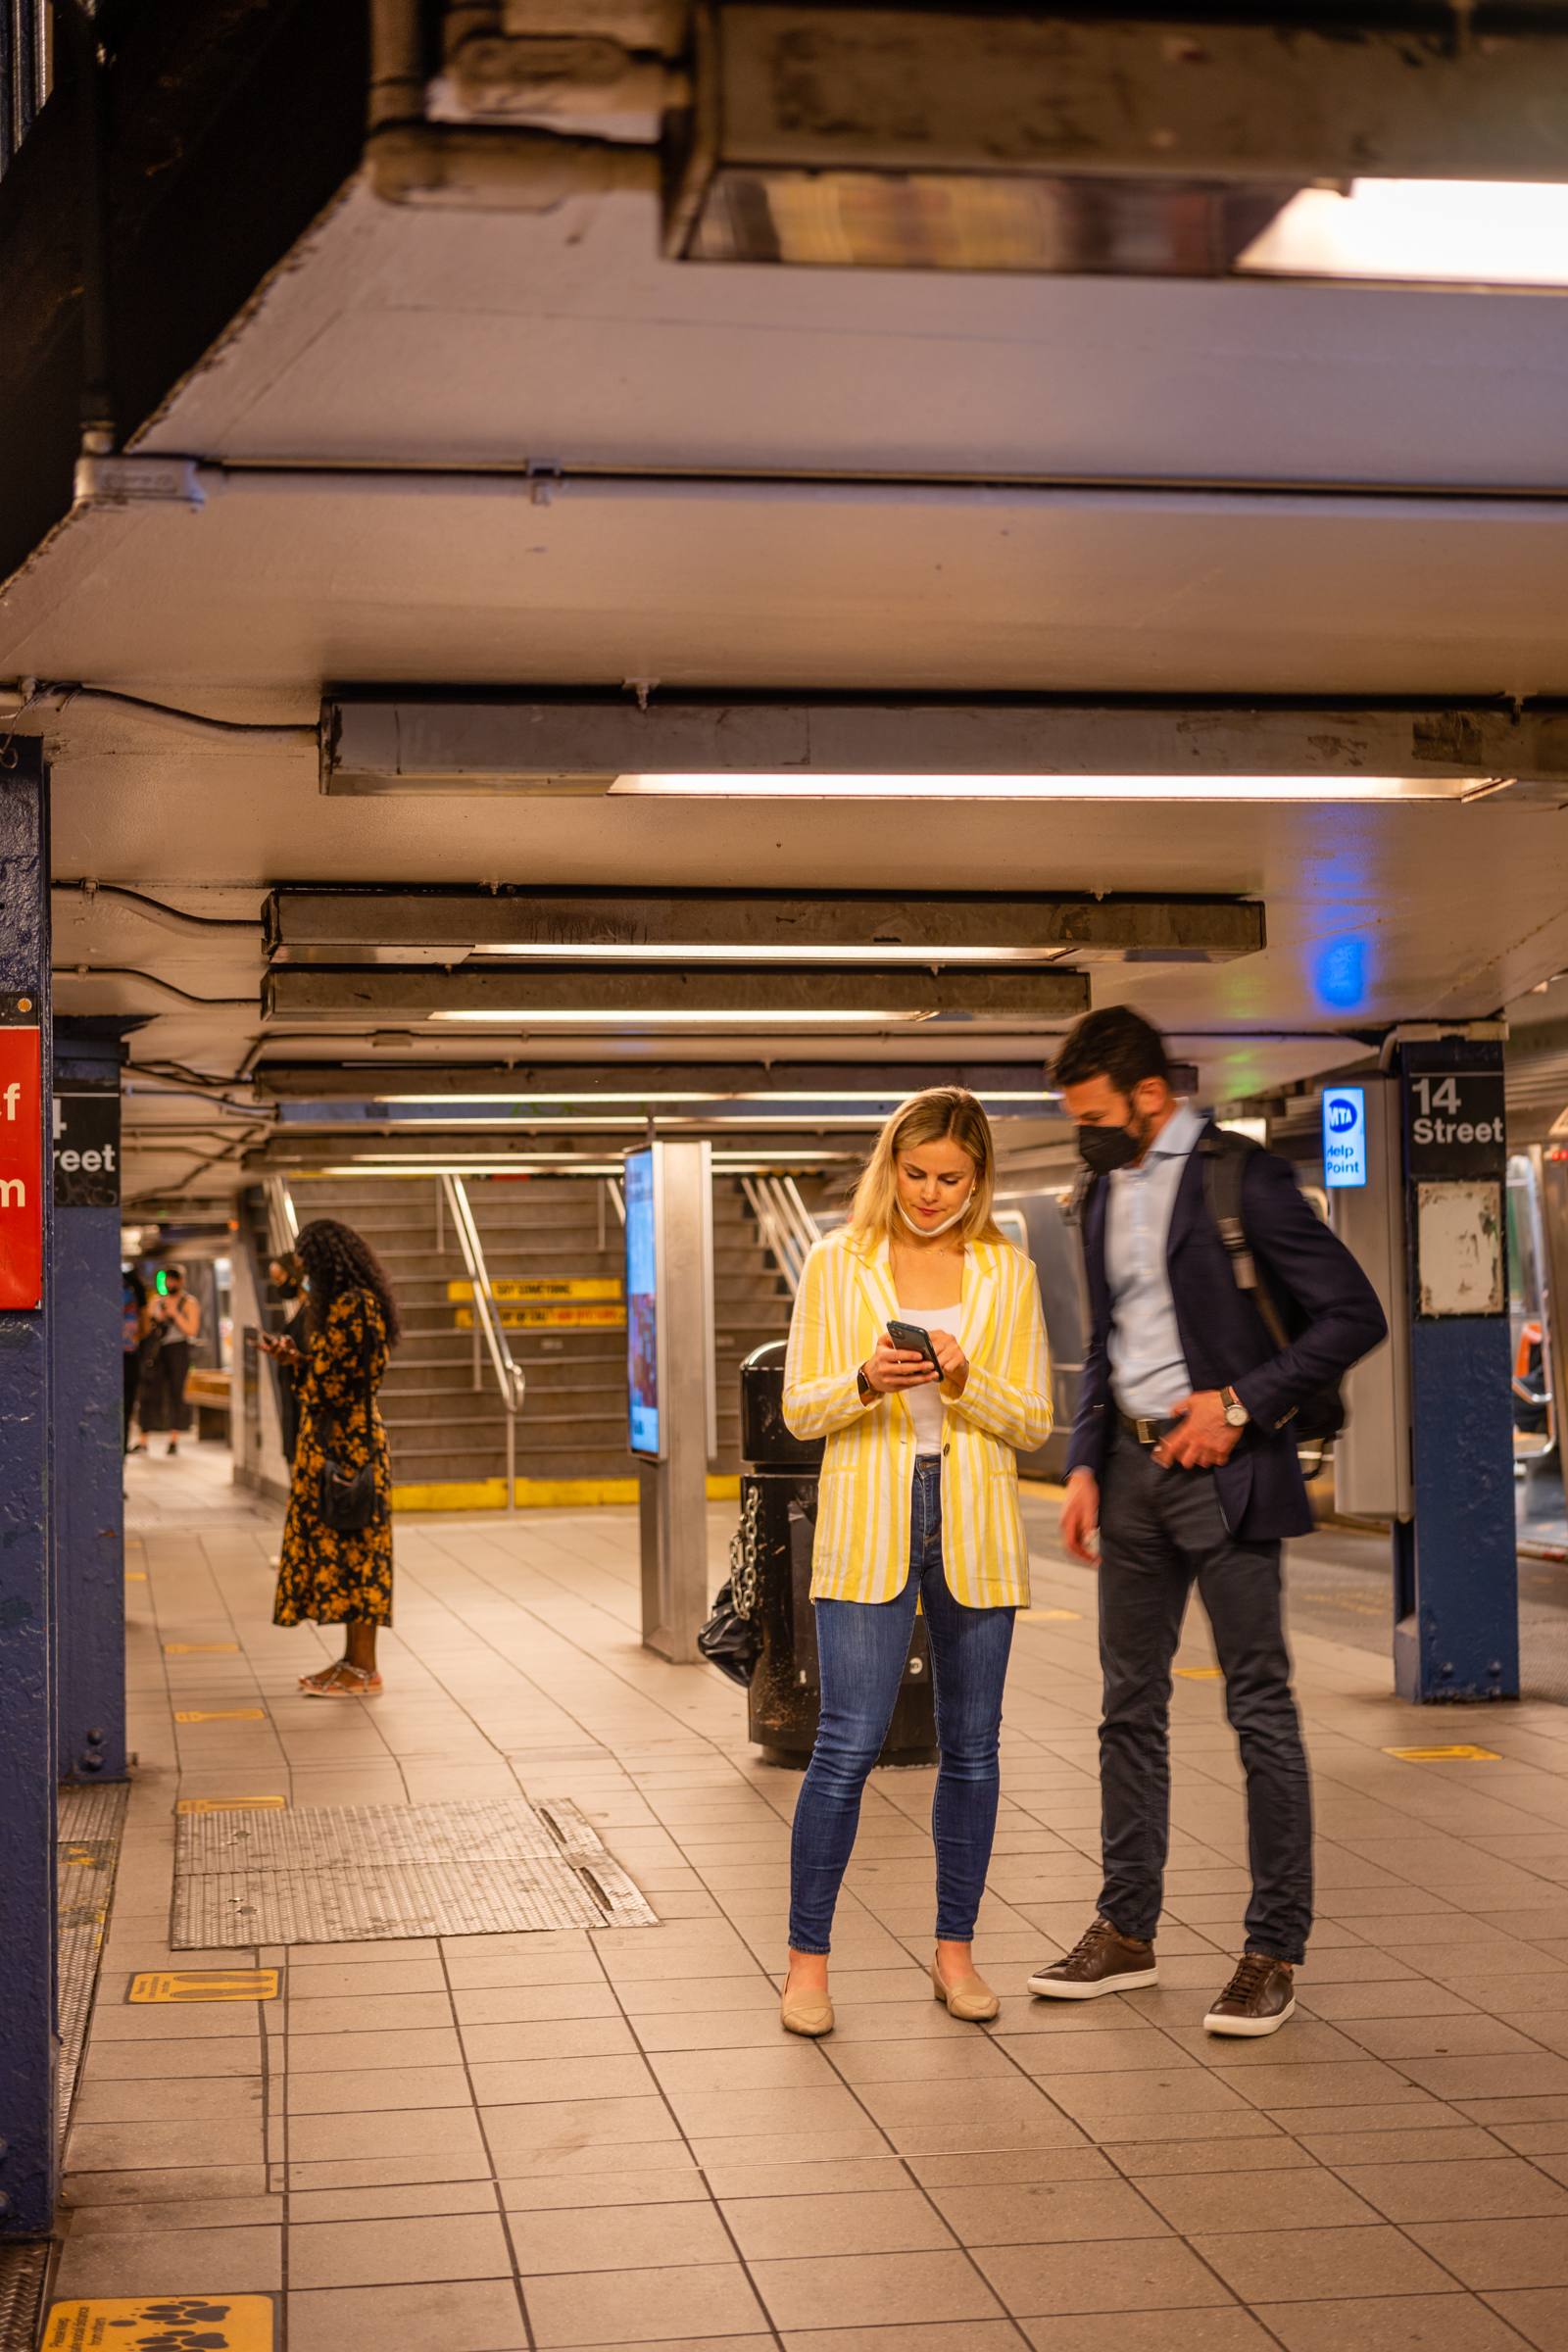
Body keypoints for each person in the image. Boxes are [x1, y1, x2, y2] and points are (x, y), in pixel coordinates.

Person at [1031, 1007, 1387, 2036]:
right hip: (1132, 1479)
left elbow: (1349, 1314)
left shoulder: (1243, 1179)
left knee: (1259, 1714)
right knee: (1124, 1707)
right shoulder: (1098, 1190)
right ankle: (1125, 1931)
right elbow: (1106, 1339)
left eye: (1096, 1115)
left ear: (1150, 1096)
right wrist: (1085, 1463)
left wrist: (1236, 1405)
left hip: (1226, 1476)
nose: (1085, 1135)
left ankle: (1272, 1950)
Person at [779, 1087, 1051, 2036]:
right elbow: (799, 1413)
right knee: (845, 1746)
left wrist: (965, 1379)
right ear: (889, 1165)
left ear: (977, 1183)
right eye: (916, 1173)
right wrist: (864, 1381)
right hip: (866, 1520)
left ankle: (955, 1953)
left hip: (972, 1521)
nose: (930, 1195)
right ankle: (807, 1968)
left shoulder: (1004, 1273)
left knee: (971, 1750)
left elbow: (1033, 1421)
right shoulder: (835, 1261)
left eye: (951, 1180)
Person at [265, 1218, 399, 1697]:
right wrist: (296, 1361)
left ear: (327, 1259)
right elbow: (330, 1373)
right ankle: (349, 1662)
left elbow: (344, 1382)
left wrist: (303, 1368)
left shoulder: (354, 1307)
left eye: (305, 1257)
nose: (300, 1267)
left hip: (351, 1447)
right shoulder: (340, 1306)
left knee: (360, 1552)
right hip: (336, 1440)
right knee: (342, 1554)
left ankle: (366, 1669)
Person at [139, 1263, 201, 1456]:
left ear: (181, 1281)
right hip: (157, 1350)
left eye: (174, 1279)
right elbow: (146, 1327)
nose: (171, 1283)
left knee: (176, 1393)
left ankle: (174, 1439)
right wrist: (157, 1315)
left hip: (178, 1350)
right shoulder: (157, 1301)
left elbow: (192, 1330)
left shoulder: (189, 1302)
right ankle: (143, 1440)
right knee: (149, 1392)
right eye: (168, 1279)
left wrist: (175, 1314)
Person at [122, 1268, 149, 1453]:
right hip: (130, 1356)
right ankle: (122, 1448)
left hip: (107, 1359)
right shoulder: (134, 1293)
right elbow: (145, 1328)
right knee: (126, 1408)